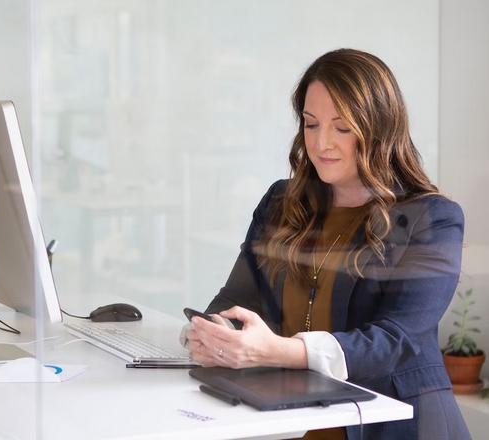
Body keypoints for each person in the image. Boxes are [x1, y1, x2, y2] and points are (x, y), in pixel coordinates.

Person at [183, 48, 471, 440]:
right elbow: (237, 299)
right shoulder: (280, 204)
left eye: (342, 127)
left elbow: (394, 340)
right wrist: (211, 336)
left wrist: (277, 351)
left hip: (401, 428)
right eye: (311, 124)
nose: (321, 144)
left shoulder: (433, 219)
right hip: (301, 424)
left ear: (379, 128)